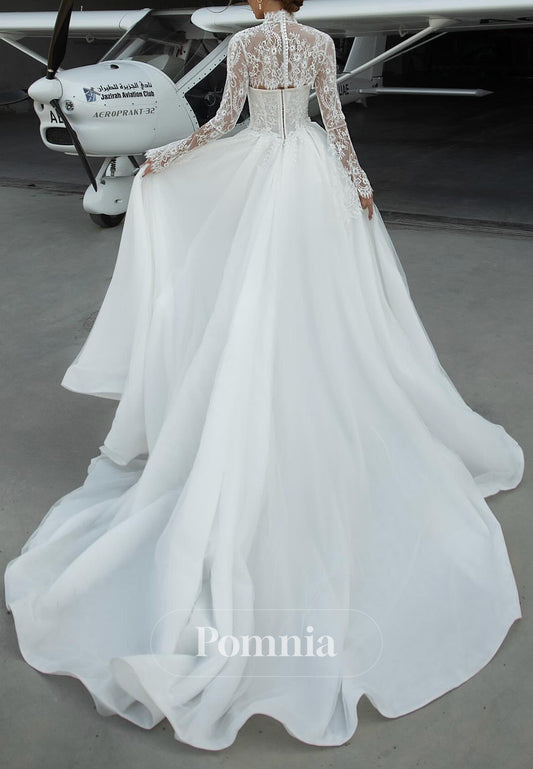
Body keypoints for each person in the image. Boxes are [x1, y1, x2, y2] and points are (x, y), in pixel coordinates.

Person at [4, 0, 524, 753]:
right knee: (322, 299)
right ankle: (318, 390)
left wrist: (168, 158)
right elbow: (334, 122)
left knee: (252, 292)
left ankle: (261, 395)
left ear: (262, 0)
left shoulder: (247, 42)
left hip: (262, 171)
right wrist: (358, 182)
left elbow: (225, 122)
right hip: (310, 171)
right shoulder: (318, 42)